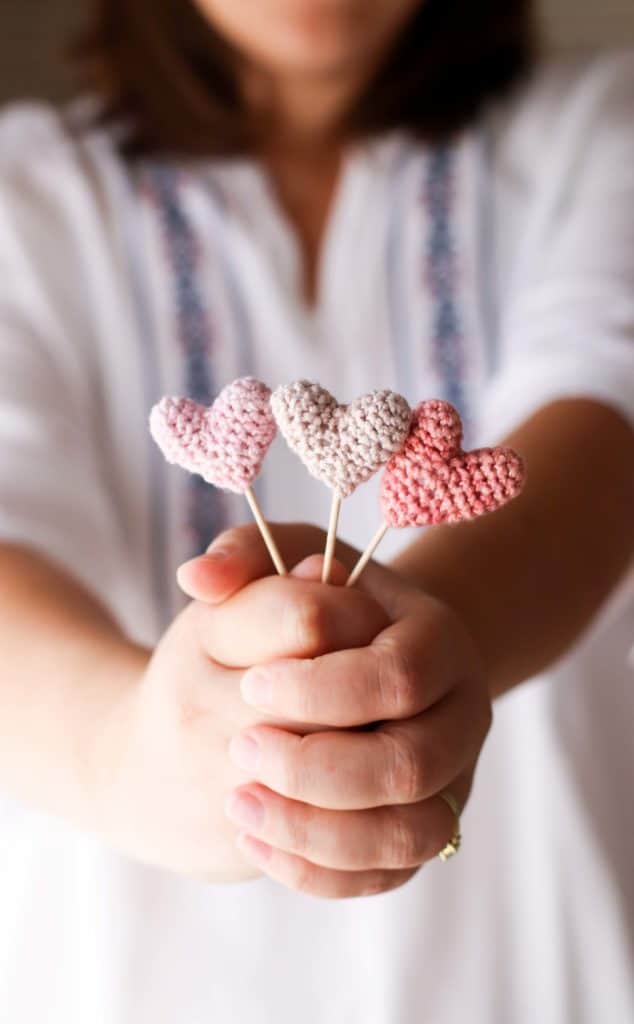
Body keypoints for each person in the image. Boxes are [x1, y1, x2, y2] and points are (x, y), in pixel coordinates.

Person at [0, 1, 633, 1020]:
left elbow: (605, 441)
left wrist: (423, 638)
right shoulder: (24, 199)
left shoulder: (604, 132)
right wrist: (133, 751)